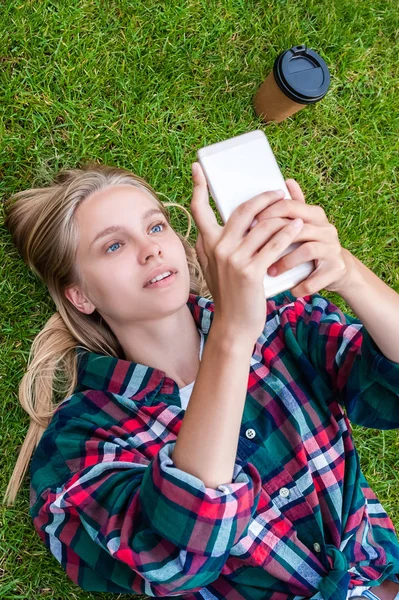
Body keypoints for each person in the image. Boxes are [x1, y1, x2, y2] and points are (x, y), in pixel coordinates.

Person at [3, 160, 399, 600]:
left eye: (155, 227)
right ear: (80, 295)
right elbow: (175, 557)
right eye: (113, 246)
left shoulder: (281, 322)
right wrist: (231, 335)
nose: (150, 249)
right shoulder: (78, 442)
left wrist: (346, 272)